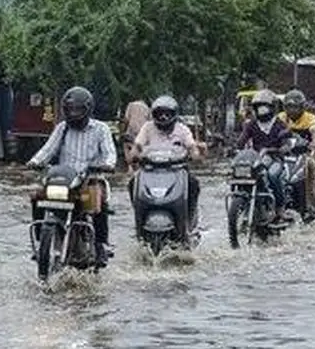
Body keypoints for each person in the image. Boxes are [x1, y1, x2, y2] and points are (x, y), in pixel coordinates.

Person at [27, 86, 117, 266]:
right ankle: (40, 242)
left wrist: (107, 165)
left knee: (97, 201)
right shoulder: (62, 128)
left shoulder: (101, 129)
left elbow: (109, 153)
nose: (74, 113)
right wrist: (35, 162)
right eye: (70, 109)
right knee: (37, 196)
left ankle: (100, 245)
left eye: (78, 109)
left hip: (90, 178)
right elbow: (48, 149)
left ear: (87, 109)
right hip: (63, 180)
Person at [127, 95, 206, 226]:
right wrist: (133, 155)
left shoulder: (182, 129)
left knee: (194, 184)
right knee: (132, 183)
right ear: (154, 115)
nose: (163, 118)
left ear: (174, 115)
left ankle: (190, 219)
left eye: (167, 114)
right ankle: (139, 215)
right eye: (160, 114)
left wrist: (195, 154)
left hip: (177, 169)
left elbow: (191, 146)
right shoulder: (147, 127)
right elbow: (138, 145)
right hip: (150, 170)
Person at [236, 89, 297, 220]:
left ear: (272, 108)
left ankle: (280, 209)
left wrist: (283, 148)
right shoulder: (251, 124)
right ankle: (243, 205)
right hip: (256, 159)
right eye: (258, 107)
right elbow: (242, 140)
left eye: (264, 107)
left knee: (272, 175)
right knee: (240, 174)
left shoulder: (279, 124)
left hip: (275, 158)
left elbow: (287, 141)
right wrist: (235, 148)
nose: (261, 110)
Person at [277, 89, 315, 215]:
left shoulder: (310, 117)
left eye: (295, 107)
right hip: (283, 154)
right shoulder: (281, 117)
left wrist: (314, 144)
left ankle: (309, 204)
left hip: (304, 154)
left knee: (310, 165)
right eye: (289, 107)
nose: (292, 110)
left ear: (302, 107)